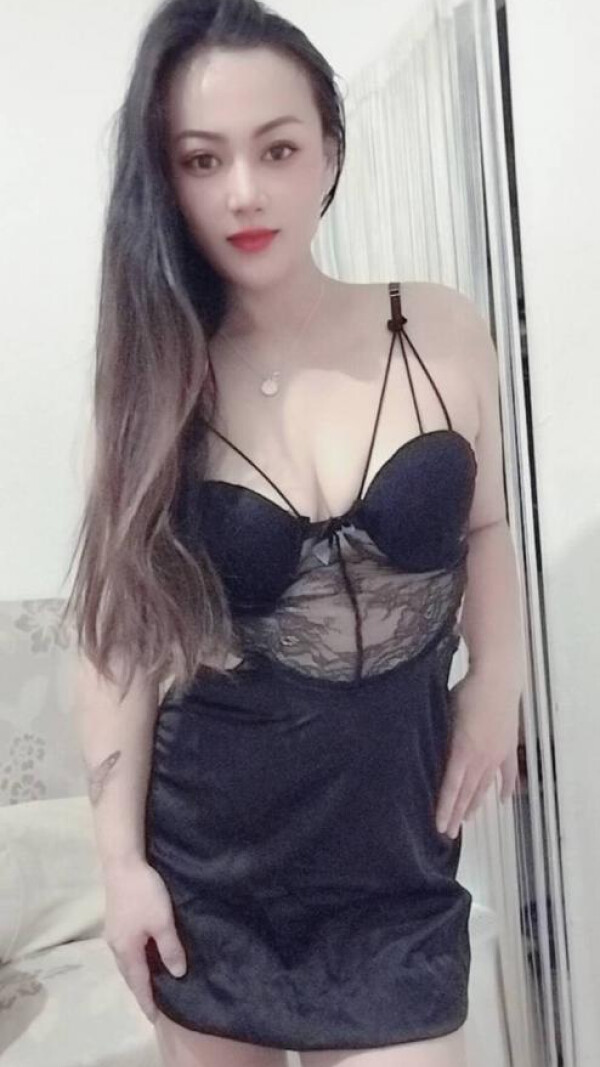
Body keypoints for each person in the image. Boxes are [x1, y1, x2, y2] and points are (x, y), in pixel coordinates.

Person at [65, 1, 524, 1065]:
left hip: (396, 867)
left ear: (329, 151)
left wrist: (499, 677)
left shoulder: (439, 327)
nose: (244, 191)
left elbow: (489, 521)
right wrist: (121, 865)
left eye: (276, 148)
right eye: (202, 158)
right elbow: (116, 639)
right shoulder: (148, 385)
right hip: (212, 877)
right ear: (164, 179)